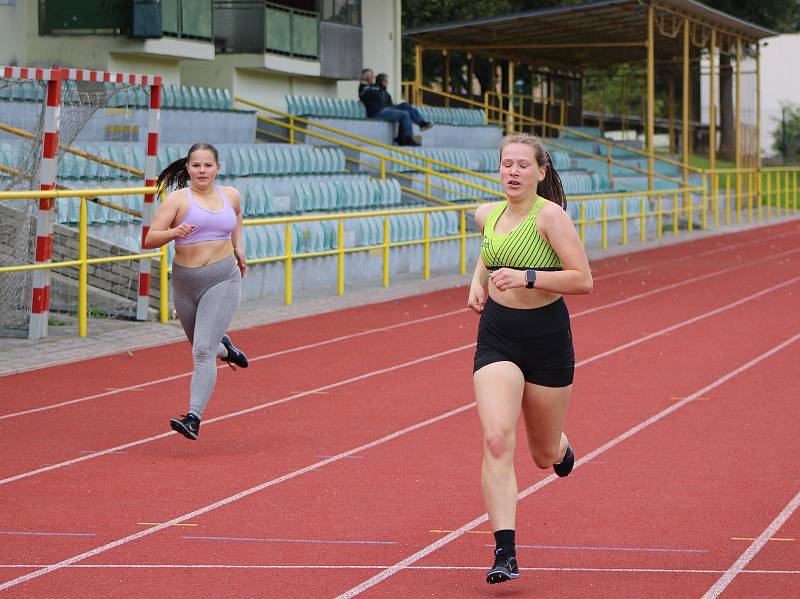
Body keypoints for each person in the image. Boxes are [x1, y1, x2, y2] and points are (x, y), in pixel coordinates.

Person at [467, 133, 593, 584]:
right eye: (506, 164)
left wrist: (526, 276)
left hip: (547, 339)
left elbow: (583, 280)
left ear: (540, 172)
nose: (513, 172)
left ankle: (560, 446)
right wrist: (477, 280)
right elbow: (488, 247)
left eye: (523, 165)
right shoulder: (489, 213)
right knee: (497, 439)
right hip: (498, 336)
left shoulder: (550, 218)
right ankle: (505, 552)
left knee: (542, 454)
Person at [143, 142, 249, 441]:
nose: (202, 170)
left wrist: (238, 248)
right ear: (188, 168)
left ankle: (193, 418)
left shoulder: (230, 195)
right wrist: (173, 233)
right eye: (196, 165)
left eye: (207, 165)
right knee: (203, 346)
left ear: (218, 168)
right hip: (185, 282)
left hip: (222, 278)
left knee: (202, 351)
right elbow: (149, 239)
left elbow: (238, 216)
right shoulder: (177, 200)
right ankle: (225, 349)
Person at [359, 72, 432, 146]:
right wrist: (376, 86)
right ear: (367, 77)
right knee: (404, 114)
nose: (373, 77)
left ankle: (422, 123)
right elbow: (366, 94)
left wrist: (382, 88)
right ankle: (406, 139)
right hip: (377, 112)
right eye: (371, 75)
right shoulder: (365, 88)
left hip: (386, 109)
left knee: (405, 105)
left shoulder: (381, 90)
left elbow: (390, 104)